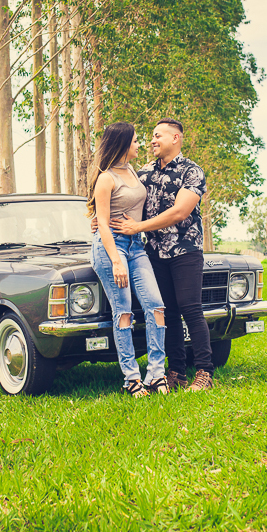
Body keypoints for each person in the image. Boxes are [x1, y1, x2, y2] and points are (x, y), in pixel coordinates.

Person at [110, 117, 214, 392]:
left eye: (158, 136)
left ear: (175, 138)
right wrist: (100, 218)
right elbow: (121, 197)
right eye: (151, 136)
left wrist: (138, 227)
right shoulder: (143, 173)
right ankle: (176, 371)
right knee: (168, 313)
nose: (152, 141)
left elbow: (180, 211)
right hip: (154, 253)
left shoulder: (192, 172)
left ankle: (204, 372)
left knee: (191, 309)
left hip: (185, 251)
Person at [88, 122, 168, 397]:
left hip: (136, 247)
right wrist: (116, 261)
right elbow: (103, 223)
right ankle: (131, 378)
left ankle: (156, 375)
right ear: (122, 144)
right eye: (135, 140)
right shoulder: (106, 178)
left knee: (156, 306)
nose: (139, 144)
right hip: (111, 250)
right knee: (123, 312)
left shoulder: (134, 170)